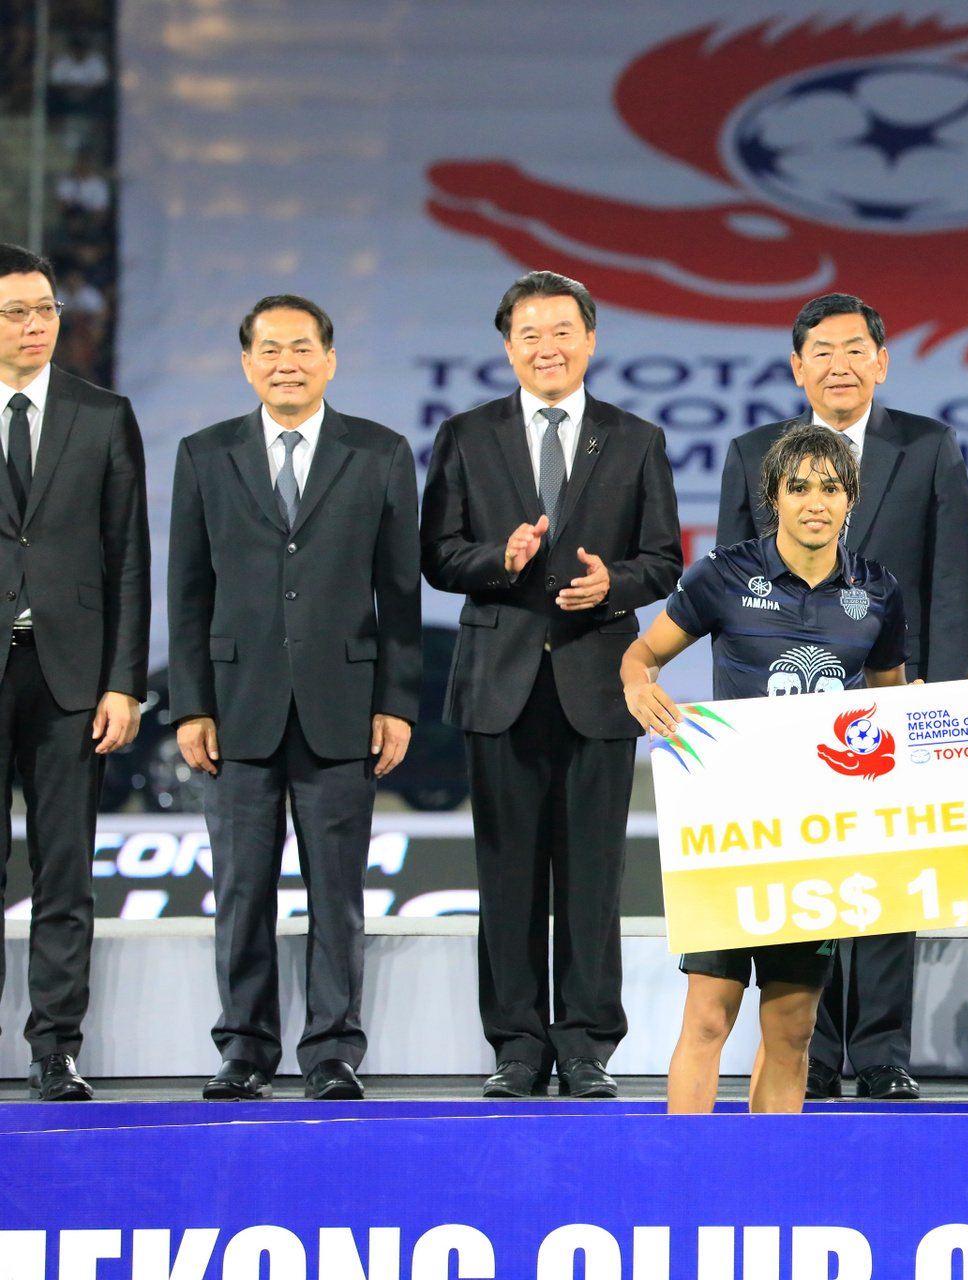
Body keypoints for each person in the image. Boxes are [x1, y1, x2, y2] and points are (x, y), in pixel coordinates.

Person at [421, 271, 682, 1099]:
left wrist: (613, 584)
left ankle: (586, 1046)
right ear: (508, 347)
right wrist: (497, 560)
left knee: (592, 878)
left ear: (590, 340)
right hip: (499, 683)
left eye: (562, 331)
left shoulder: (635, 439)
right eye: (530, 334)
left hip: (596, 683)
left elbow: (664, 561)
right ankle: (517, 1047)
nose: (548, 348)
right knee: (506, 877)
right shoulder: (466, 435)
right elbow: (437, 556)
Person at [717, 292, 968, 1103]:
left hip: (895, 695)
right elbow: (728, 587)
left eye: (856, 349)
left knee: (890, 874)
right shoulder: (751, 453)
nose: (840, 365)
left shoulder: (928, 447)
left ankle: (882, 1050)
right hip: (785, 704)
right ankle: (813, 1051)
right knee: (806, 876)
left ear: (882, 361)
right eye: (822, 351)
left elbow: (950, 579)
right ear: (797, 367)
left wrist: (941, 690)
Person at [169, 295, 421, 1101]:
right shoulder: (204, 454)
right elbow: (187, 591)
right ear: (247, 363)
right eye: (271, 350)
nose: (288, 363)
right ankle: (244, 1049)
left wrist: (396, 702)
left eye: (303, 348)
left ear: (330, 359)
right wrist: (191, 704)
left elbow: (400, 594)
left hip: (343, 706)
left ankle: (332, 1052)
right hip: (234, 708)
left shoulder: (380, 452)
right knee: (241, 891)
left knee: (337, 894)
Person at [622, 423, 908, 1113]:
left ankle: (768, 1168)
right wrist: (636, 684)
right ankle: (685, 1166)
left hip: (819, 839)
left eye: (831, 489)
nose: (816, 502)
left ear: (851, 499)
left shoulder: (878, 591)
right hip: (729, 834)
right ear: (773, 497)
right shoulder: (722, 575)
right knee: (708, 1018)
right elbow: (642, 654)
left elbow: (892, 703)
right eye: (799, 487)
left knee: (792, 1030)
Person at [0, 243, 148, 1102]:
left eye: (46, 309)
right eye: (16, 311)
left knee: (66, 873)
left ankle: (55, 1048)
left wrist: (124, 682)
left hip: (72, 679)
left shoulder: (103, 415)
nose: (36, 325)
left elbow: (128, 557)